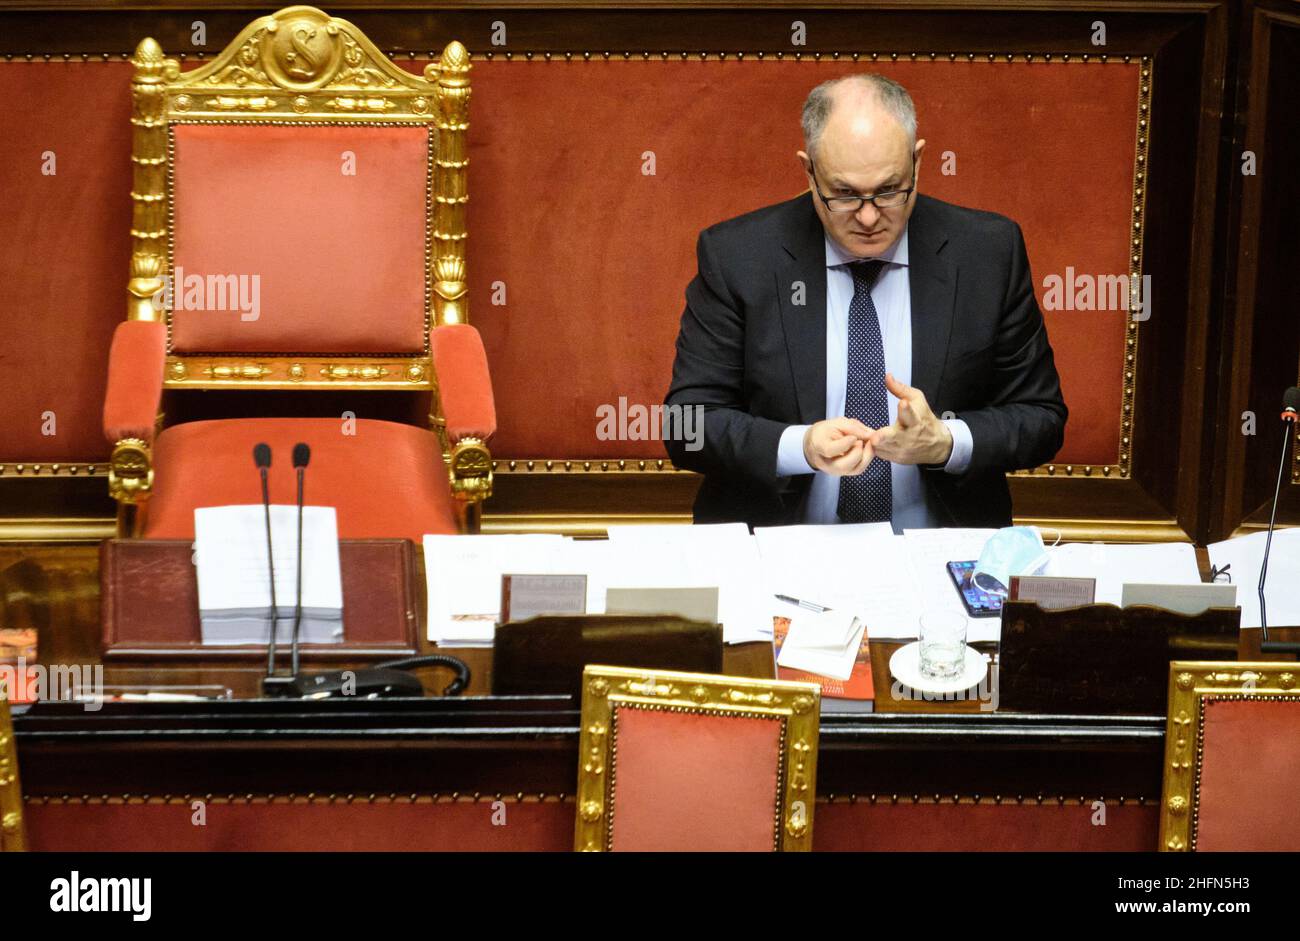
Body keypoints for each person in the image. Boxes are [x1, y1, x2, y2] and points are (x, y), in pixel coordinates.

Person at [664, 74, 1067, 530]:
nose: (871, 216)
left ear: (918, 162)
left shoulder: (988, 253)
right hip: (781, 549)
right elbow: (687, 425)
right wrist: (801, 447)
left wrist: (946, 441)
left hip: (939, 553)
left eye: (890, 190)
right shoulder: (738, 256)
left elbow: (1041, 417)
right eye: (845, 194)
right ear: (808, 170)